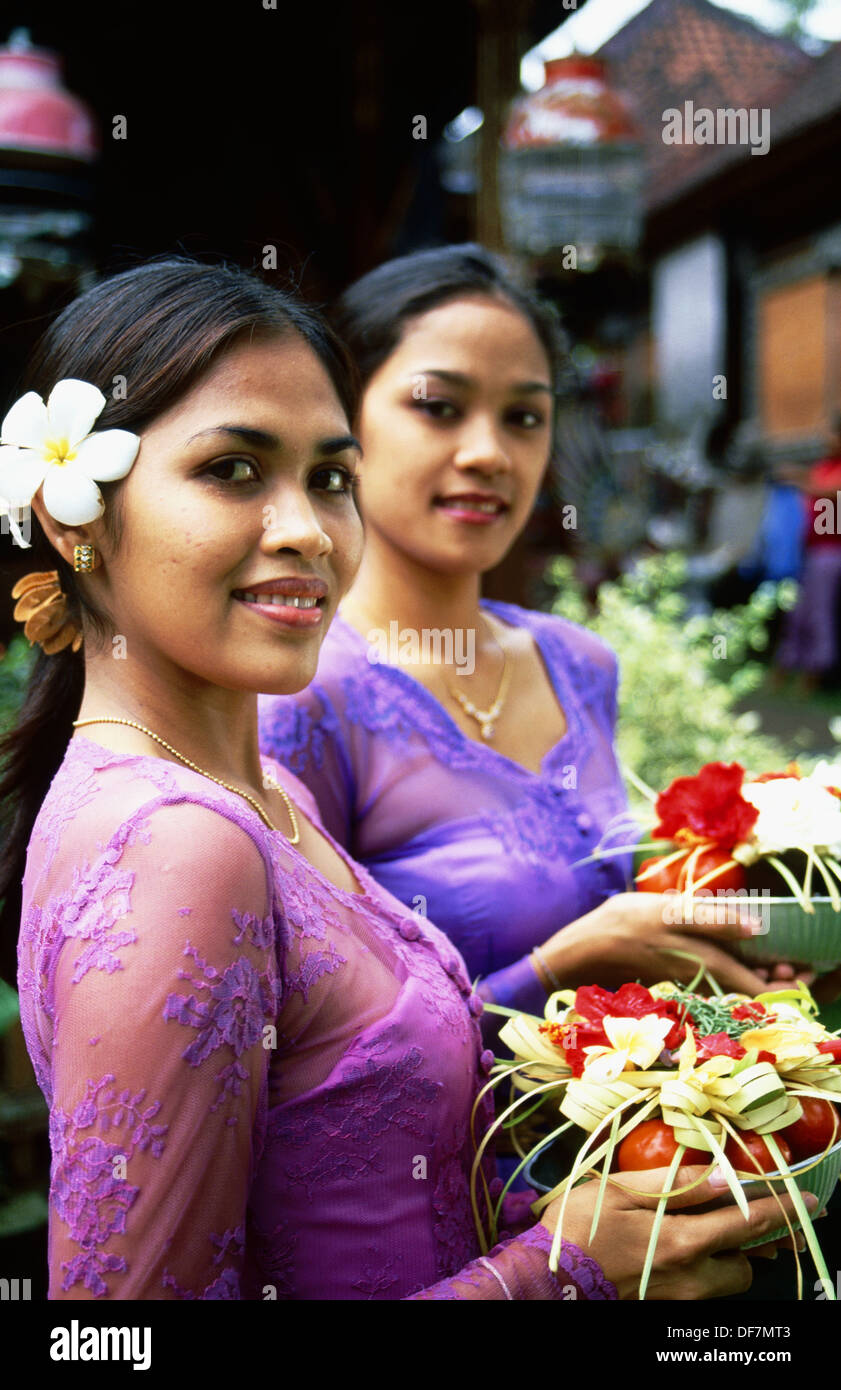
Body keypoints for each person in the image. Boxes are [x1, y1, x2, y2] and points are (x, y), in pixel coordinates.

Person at [0, 258, 802, 1302]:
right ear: (75, 520)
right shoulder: (174, 845)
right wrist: (559, 1271)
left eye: (329, 476)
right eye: (234, 470)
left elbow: (355, 1145)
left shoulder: (252, 800)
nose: (307, 529)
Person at [257, 244, 776, 1020]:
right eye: (437, 406)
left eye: (524, 417)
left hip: (622, 1143)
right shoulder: (300, 694)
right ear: (341, 420)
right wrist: (560, 965)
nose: (487, 454)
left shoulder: (575, 662)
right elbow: (315, 1062)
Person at [774, 415, 841, 694]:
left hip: (833, 551)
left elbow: (830, 492)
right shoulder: (823, 467)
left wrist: (798, 480)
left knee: (820, 614)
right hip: (812, 552)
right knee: (799, 614)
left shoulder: (832, 473)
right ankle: (786, 670)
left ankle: (816, 674)